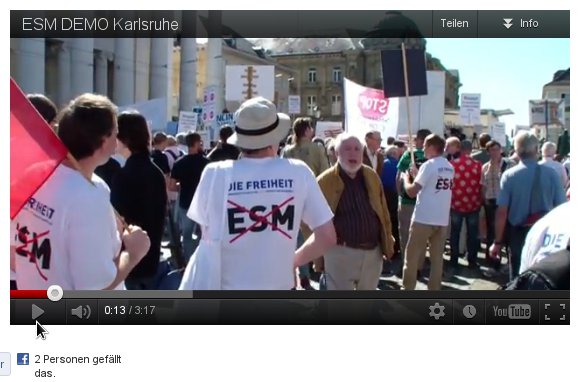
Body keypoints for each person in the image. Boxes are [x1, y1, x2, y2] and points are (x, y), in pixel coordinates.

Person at [185, 97, 337, 289]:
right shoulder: (299, 171)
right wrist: (292, 262)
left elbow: (206, 235)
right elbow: (327, 236)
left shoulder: (214, 173)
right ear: (275, 138)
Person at [12, 94, 150, 290]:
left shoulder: (35, 175)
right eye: (115, 133)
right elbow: (96, 288)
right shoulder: (90, 194)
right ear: (103, 141)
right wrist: (134, 253)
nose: (117, 141)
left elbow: (14, 252)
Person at [314, 134, 394, 290]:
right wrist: (318, 253)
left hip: (372, 253)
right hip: (340, 253)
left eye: (357, 149)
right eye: (347, 149)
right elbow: (310, 220)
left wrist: (387, 243)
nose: (353, 153)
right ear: (336, 154)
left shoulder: (371, 175)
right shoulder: (324, 181)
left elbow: (384, 213)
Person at [490, 132, 566, 280]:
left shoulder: (509, 176)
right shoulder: (551, 174)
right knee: (543, 277)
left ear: (516, 150)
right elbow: (561, 209)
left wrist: (497, 242)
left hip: (518, 234)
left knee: (518, 277)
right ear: (537, 149)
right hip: (546, 235)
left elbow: (502, 212)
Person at [111, 111, 168, 290]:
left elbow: (117, 223)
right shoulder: (155, 171)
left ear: (124, 138)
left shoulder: (124, 174)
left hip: (131, 261)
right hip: (152, 260)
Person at [281, 117, 330, 289]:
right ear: (307, 130)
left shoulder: (287, 151)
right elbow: (325, 173)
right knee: (318, 234)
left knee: (294, 238)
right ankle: (315, 267)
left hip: (290, 199)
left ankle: (300, 274)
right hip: (312, 196)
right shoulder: (317, 148)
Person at [402, 134, 454, 290]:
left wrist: (406, 179)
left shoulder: (429, 165)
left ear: (432, 147)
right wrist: (417, 174)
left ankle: (407, 289)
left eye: (425, 145)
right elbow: (432, 185)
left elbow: (412, 192)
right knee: (437, 259)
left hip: (423, 219)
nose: (422, 148)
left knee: (411, 258)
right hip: (442, 219)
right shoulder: (449, 166)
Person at [170, 132, 210, 262]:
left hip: (186, 203)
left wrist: (181, 186)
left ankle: (189, 261)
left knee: (186, 235)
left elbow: (171, 186)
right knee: (204, 234)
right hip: (203, 204)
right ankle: (202, 259)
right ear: (198, 143)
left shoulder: (179, 162)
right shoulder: (206, 163)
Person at [396, 129, 431, 257]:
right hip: (426, 202)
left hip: (408, 201)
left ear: (421, 140)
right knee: (422, 235)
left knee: (405, 233)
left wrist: (400, 195)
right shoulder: (434, 159)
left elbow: (399, 177)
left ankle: (406, 261)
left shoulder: (408, 155)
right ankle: (419, 263)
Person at [449, 140, 483, 271]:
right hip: (473, 203)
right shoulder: (477, 165)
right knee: (472, 234)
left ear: (460, 149)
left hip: (456, 203)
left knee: (455, 233)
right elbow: (481, 185)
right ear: (470, 149)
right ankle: (472, 261)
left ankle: (454, 260)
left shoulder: (452, 164)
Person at [481, 140, 513, 263]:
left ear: (501, 150)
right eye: (491, 150)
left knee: (505, 231)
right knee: (491, 232)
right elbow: (483, 186)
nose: (494, 152)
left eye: (496, 149)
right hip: (490, 201)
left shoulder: (509, 165)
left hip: (504, 203)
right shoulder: (485, 167)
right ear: (488, 152)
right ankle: (492, 260)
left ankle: (508, 260)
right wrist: (484, 199)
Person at [381, 145, 401, 264]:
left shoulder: (383, 164)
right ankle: (396, 246)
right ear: (393, 153)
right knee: (395, 222)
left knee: (386, 221)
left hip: (385, 194)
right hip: (394, 195)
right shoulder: (398, 164)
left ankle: (388, 246)